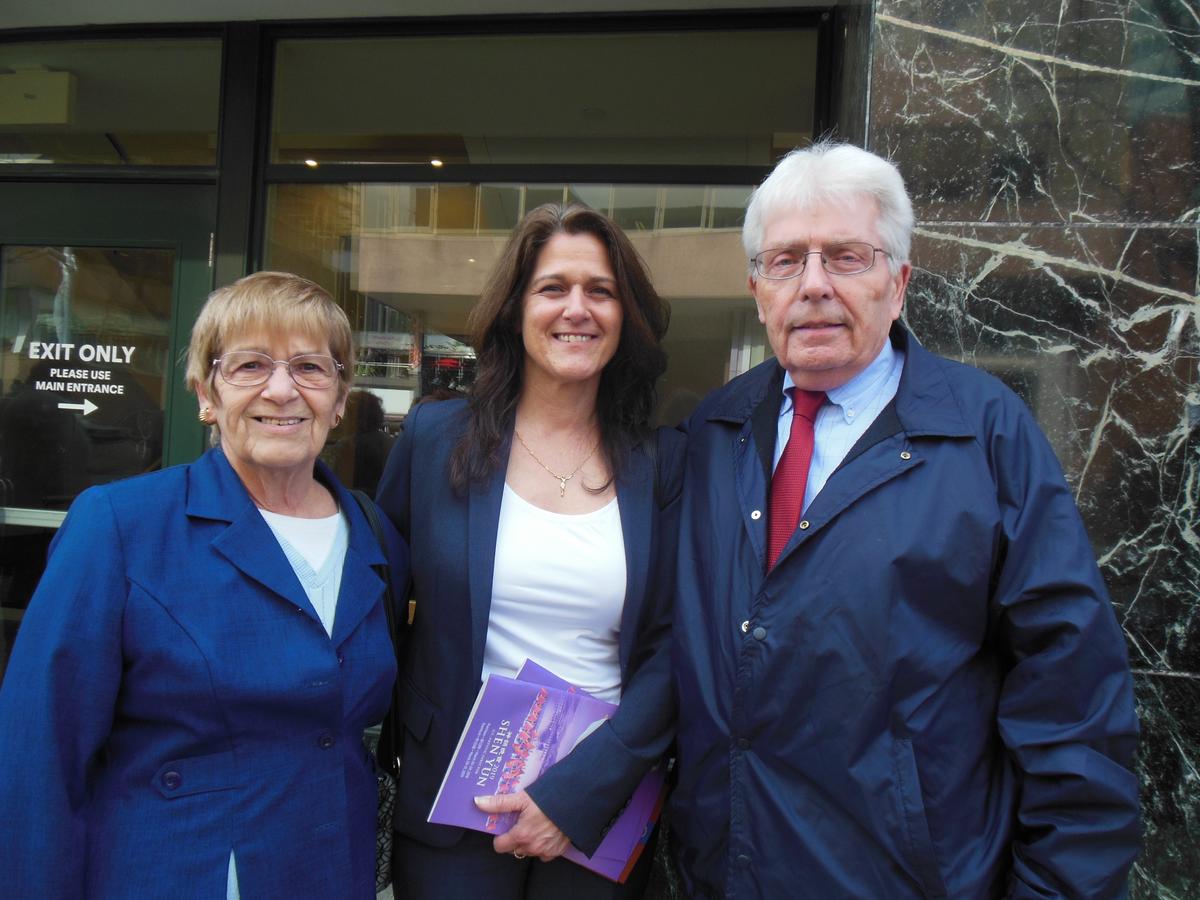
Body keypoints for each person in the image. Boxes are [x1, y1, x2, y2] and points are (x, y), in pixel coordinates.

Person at [670, 143, 1140, 899]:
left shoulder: (985, 433)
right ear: (757, 290)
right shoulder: (713, 432)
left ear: (899, 283)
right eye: (786, 261)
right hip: (726, 873)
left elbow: (1072, 696)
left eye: (846, 257)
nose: (814, 285)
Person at [0, 271, 409, 899]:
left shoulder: (374, 535)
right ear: (205, 394)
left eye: (310, 367)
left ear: (340, 397)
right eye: (250, 366)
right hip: (179, 871)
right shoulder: (122, 525)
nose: (282, 390)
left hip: (331, 870)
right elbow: (39, 755)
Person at [376, 203, 683, 899]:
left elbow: (674, 645)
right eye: (553, 288)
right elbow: (378, 604)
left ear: (625, 315)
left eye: (600, 291)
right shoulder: (433, 441)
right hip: (453, 803)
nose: (577, 309)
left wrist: (582, 791)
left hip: (598, 810)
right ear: (516, 308)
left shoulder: (666, 462)